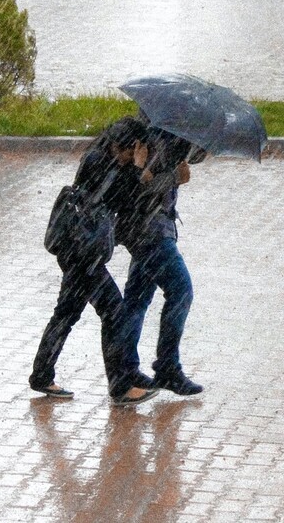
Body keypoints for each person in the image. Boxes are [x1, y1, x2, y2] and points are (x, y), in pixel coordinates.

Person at [29, 117, 182, 405]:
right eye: (139, 149)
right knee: (115, 312)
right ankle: (121, 385)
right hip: (83, 254)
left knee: (66, 312)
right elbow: (129, 200)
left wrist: (138, 172)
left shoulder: (98, 157)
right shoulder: (108, 166)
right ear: (131, 147)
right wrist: (141, 171)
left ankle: (41, 375)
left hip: (74, 249)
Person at [115, 128, 206, 396]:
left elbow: (193, 156)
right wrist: (174, 178)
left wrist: (203, 143)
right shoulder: (154, 136)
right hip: (150, 232)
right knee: (181, 291)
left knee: (137, 299)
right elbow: (140, 190)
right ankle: (166, 367)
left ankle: (126, 369)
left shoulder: (173, 132)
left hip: (149, 229)